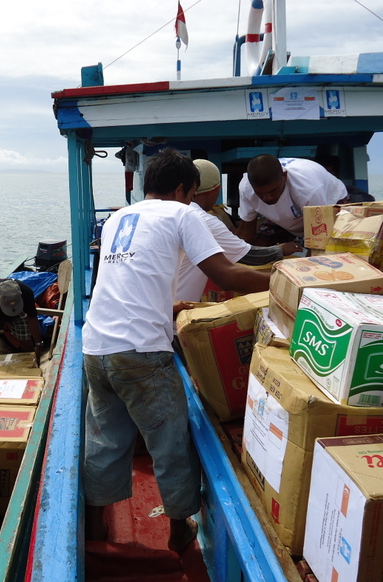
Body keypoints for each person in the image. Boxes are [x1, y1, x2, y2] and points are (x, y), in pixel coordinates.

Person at [82, 148, 271, 554]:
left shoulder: (117, 217)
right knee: (169, 441)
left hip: (95, 347)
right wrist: (287, 278)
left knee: (105, 440)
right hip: (142, 354)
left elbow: (120, 285)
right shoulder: (183, 214)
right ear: (183, 189)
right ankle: (178, 528)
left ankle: (96, 529)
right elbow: (225, 273)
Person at [176, 159, 303, 302]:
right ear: (216, 190)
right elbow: (249, 257)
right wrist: (293, 280)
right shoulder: (200, 220)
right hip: (170, 313)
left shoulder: (168, 213)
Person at [235, 154, 349, 246]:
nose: (267, 198)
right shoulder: (246, 188)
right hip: (290, 215)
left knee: (332, 248)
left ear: (284, 176)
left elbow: (319, 239)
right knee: (261, 245)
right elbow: (246, 232)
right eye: (260, 193)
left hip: (330, 205)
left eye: (273, 191)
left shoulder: (309, 189)